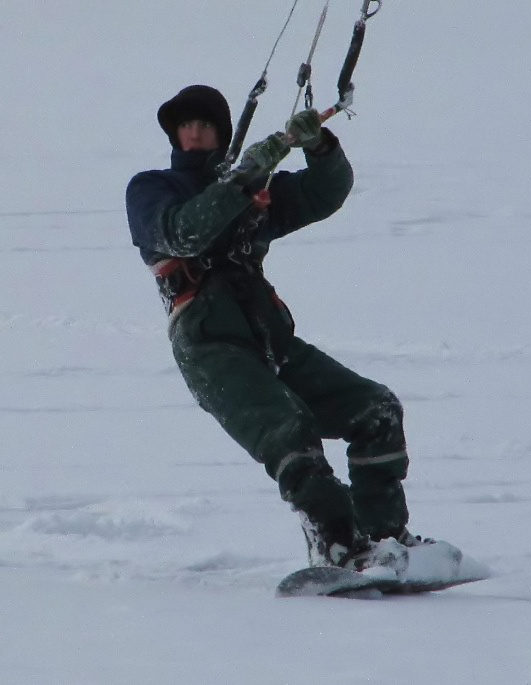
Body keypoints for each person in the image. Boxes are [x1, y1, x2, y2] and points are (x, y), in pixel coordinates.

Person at [126, 84, 426, 570]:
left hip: (268, 335)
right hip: (207, 344)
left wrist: (319, 147)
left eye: (205, 125)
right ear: (175, 135)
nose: (196, 134)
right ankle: (337, 547)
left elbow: (325, 193)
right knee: (289, 430)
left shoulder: (255, 190)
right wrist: (241, 182)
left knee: (376, 409)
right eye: (187, 126)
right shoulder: (151, 188)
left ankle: (384, 539)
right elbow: (182, 233)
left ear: (222, 134)